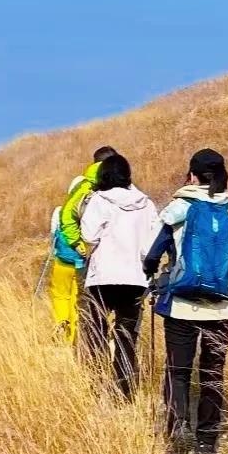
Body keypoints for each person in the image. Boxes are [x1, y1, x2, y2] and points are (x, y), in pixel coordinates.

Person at [144, 149, 228, 454]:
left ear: (191, 175)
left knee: (178, 372)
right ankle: (207, 442)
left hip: (181, 304)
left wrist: (157, 272)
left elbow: (152, 254)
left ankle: (178, 433)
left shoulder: (178, 208)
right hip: (222, 306)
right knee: (212, 374)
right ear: (221, 176)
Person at [77, 153, 159, 398]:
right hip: (135, 278)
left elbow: (89, 236)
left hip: (102, 277)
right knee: (126, 336)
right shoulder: (146, 203)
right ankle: (125, 391)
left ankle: (95, 386)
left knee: (95, 334)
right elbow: (151, 244)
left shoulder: (100, 200)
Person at [46, 146, 116, 344]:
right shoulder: (116, 184)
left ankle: (61, 324)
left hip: (63, 259)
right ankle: (75, 338)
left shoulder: (76, 195)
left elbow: (55, 231)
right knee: (80, 301)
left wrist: (74, 243)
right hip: (88, 260)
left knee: (61, 295)